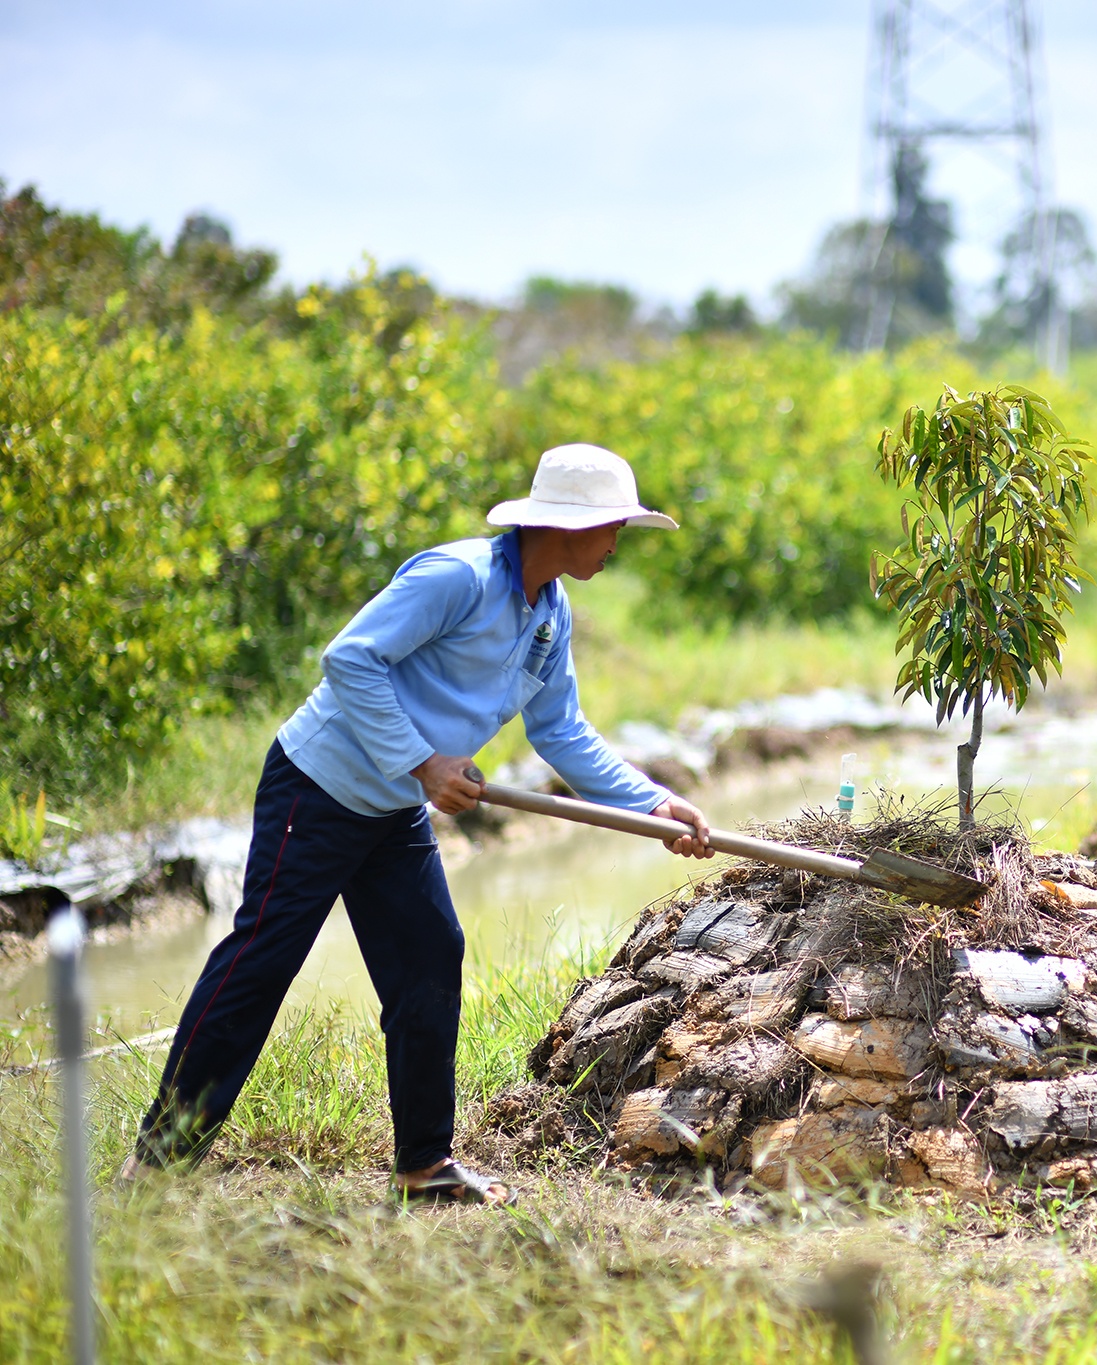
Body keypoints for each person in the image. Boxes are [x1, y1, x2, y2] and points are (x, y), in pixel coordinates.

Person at [122, 444, 715, 1204]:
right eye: (615, 530)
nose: (615, 546)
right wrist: (424, 763)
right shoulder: (457, 578)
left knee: (431, 955)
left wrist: (651, 802)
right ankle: (159, 1160)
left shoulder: (548, 613)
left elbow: (561, 730)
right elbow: (351, 658)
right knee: (263, 958)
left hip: (392, 808)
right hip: (320, 785)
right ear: (577, 526)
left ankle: (424, 1164)